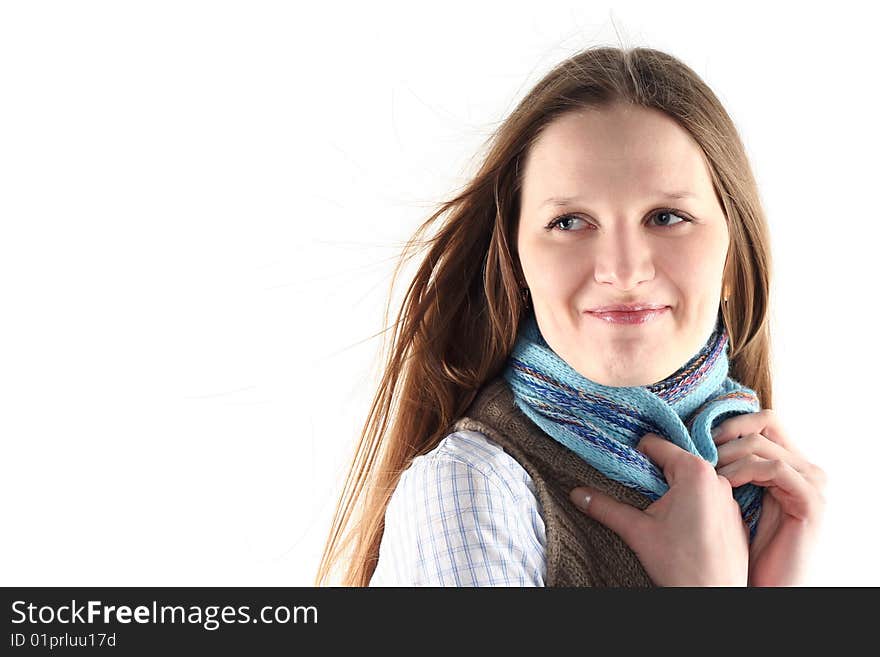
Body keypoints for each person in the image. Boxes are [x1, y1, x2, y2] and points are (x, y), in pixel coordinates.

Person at [314, 45, 826, 587]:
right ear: (517, 262)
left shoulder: (767, 502)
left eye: (667, 216)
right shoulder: (468, 491)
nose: (623, 271)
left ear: (732, 259)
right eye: (570, 222)